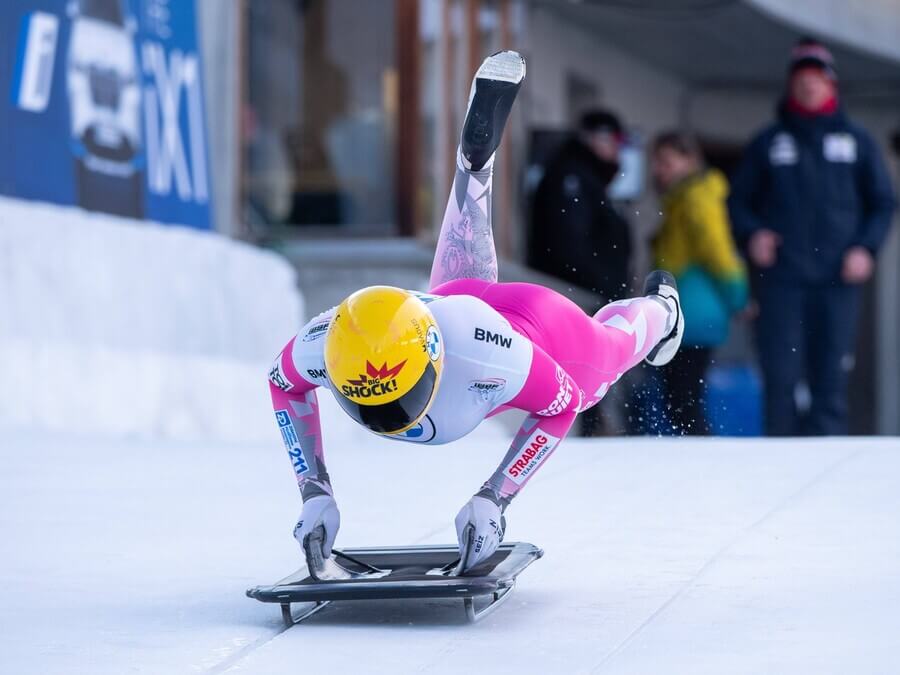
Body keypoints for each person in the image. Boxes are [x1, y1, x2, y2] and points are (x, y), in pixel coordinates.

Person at [268, 52, 684, 573]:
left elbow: (560, 405)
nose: (388, 423)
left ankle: (662, 308)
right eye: (369, 405)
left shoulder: (488, 351)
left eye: (399, 400)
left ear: (433, 361)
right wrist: (314, 493)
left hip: (532, 325)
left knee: (607, 359)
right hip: (453, 305)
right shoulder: (324, 342)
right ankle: (474, 167)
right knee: (457, 285)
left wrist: (495, 497)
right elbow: (283, 383)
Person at [728, 39, 896, 436]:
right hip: (782, 280)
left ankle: (826, 464)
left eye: (816, 79)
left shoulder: (858, 142)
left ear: (831, 85)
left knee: (830, 377)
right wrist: (753, 234)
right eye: (801, 78)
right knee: (780, 374)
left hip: (837, 279)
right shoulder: (768, 143)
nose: (808, 86)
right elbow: (738, 202)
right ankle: (777, 465)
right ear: (791, 85)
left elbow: (883, 203)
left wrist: (866, 248)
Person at [650, 132, 748, 434]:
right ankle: (693, 458)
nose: (659, 170)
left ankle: (699, 459)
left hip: (693, 311)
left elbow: (718, 251)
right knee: (680, 398)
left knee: (683, 398)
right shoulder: (681, 198)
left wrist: (738, 296)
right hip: (687, 308)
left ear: (690, 160)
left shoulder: (696, 198)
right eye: (656, 162)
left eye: (667, 161)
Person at [528, 109, 632, 305]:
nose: (618, 151)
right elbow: (569, 245)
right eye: (615, 141)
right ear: (596, 139)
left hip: (585, 295)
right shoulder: (571, 179)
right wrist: (600, 288)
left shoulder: (589, 180)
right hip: (577, 298)